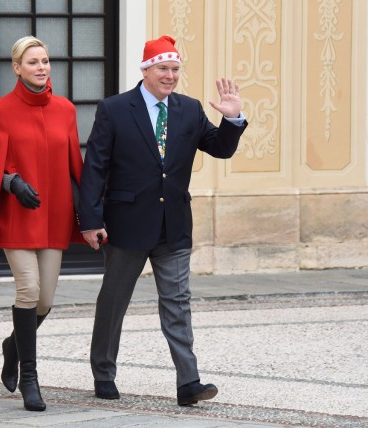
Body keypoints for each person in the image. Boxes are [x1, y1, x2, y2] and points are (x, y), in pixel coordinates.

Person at [77, 35, 247, 406]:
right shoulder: (115, 109)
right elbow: (95, 167)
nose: (170, 76)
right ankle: (103, 373)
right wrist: (90, 220)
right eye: (163, 68)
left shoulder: (189, 109)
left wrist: (232, 118)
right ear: (146, 70)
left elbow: (220, 147)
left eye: (175, 69)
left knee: (177, 302)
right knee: (114, 302)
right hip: (126, 224)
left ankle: (189, 383)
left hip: (174, 225)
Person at [0, 36, 84, 412]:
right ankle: (30, 378)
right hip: (18, 217)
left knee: (45, 301)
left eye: (45, 61)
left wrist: (92, 216)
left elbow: (76, 168)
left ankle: (12, 346)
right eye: (32, 62)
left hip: (54, 216)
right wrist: (11, 182)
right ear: (16, 67)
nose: (41, 67)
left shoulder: (65, 110)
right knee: (28, 292)